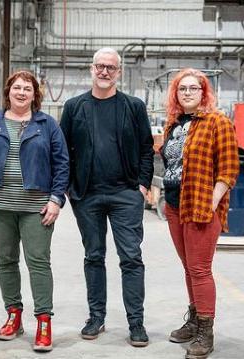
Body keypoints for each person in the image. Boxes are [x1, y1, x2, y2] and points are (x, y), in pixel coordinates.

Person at [0, 70, 69, 352]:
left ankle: (44, 322)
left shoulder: (47, 125)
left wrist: (56, 199)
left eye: (28, 89)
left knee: (38, 262)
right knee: (6, 261)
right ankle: (14, 315)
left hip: (36, 209)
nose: (22, 92)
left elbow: (62, 164)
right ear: (8, 92)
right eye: (17, 88)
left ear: (35, 95)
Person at [60, 47, 154, 347]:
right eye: (100, 66)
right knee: (94, 257)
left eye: (110, 67)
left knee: (131, 258)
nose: (104, 71)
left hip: (126, 193)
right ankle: (96, 317)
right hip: (87, 195)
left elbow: (145, 149)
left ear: (119, 72)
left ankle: (136, 323)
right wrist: (69, 188)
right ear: (91, 69)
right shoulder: (74, 107)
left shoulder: (134, 106)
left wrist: (141, 186)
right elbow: (62, 151)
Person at [161, 68, 239, 359]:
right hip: (173, 205)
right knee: (188, 268)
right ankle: (194, 320)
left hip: (199, 206)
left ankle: (206, 330)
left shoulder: (217, 121)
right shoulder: (174, 124)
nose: (188, 93)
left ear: (204, 92)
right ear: (176, 94)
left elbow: (229, 167)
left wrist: (212, 201)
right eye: (183, 89)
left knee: (200, 269)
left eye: (194, 88)